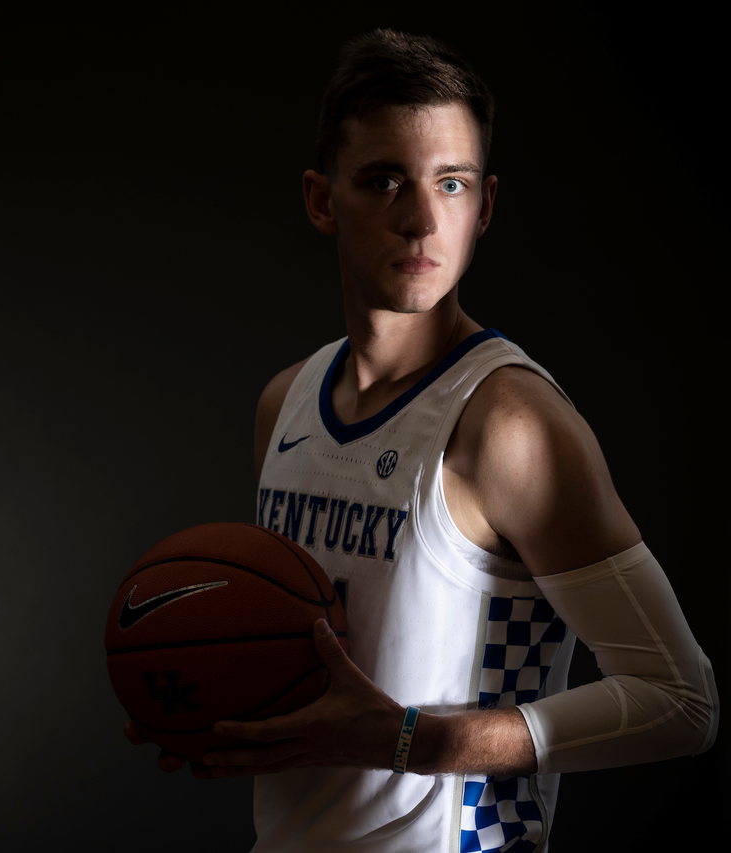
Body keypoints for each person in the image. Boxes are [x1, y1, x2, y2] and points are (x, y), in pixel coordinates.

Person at [124, 29, 718, 852]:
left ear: (485, 207)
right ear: (321, 200)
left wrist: (418, 740)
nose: (419, 218)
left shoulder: (507, 423)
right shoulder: (284, 403)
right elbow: (301, 647)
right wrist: (205, 699)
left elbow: (682, 700)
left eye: (451, 183)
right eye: (383, 181)